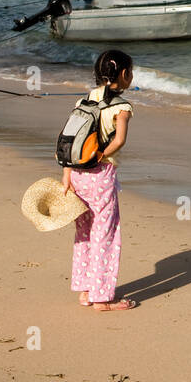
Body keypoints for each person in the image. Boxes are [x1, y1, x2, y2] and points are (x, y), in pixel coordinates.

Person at [62, 49, 136, 312]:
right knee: (105, 235)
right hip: (100, 175)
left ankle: (84, 290)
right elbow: (120, 140)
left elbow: (71, 135)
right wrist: (100, 155)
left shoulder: (86, 99)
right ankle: (102, 298)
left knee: (84, 232)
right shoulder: (122, 107)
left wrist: (67, 173)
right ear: (125, 75)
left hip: (77, 174)